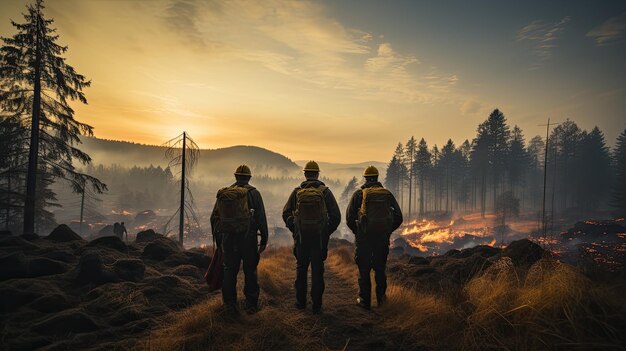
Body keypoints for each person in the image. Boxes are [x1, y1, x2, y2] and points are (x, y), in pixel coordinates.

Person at [282, 161, 341, 314]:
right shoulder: (325, 192)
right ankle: (317, 305)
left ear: (305, 174)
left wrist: (295, 229)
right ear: (318, 174)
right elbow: (336, 216)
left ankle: (300, 303)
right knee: (317, 270)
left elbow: (286, 213)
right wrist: (325, 231)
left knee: (301, 270)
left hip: (301, 239)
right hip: (319, 240)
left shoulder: (297, 192)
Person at [210, 165, 268, 313]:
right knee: (250, 271)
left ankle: (229, 305)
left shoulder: (225, 195)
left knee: (229, 271)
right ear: (249, 177)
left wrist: (219, 242)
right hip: (248, 239)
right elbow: (261, 218)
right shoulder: (255, 194)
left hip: (228, 240)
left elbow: (214, 218)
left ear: (235, 177)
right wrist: (264, 240)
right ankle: (251, 305)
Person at [346, 165, 403, 310]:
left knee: (364, 270)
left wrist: (358, 232)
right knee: (380, 269)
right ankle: (381, 301)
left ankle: (365, 301)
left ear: (365, 178)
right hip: (381, 239)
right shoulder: (387, 194)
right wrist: (387, 231)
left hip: (364, 239)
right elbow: (399, 217)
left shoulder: (359, 194)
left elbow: (349, 217)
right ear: (377, 178)